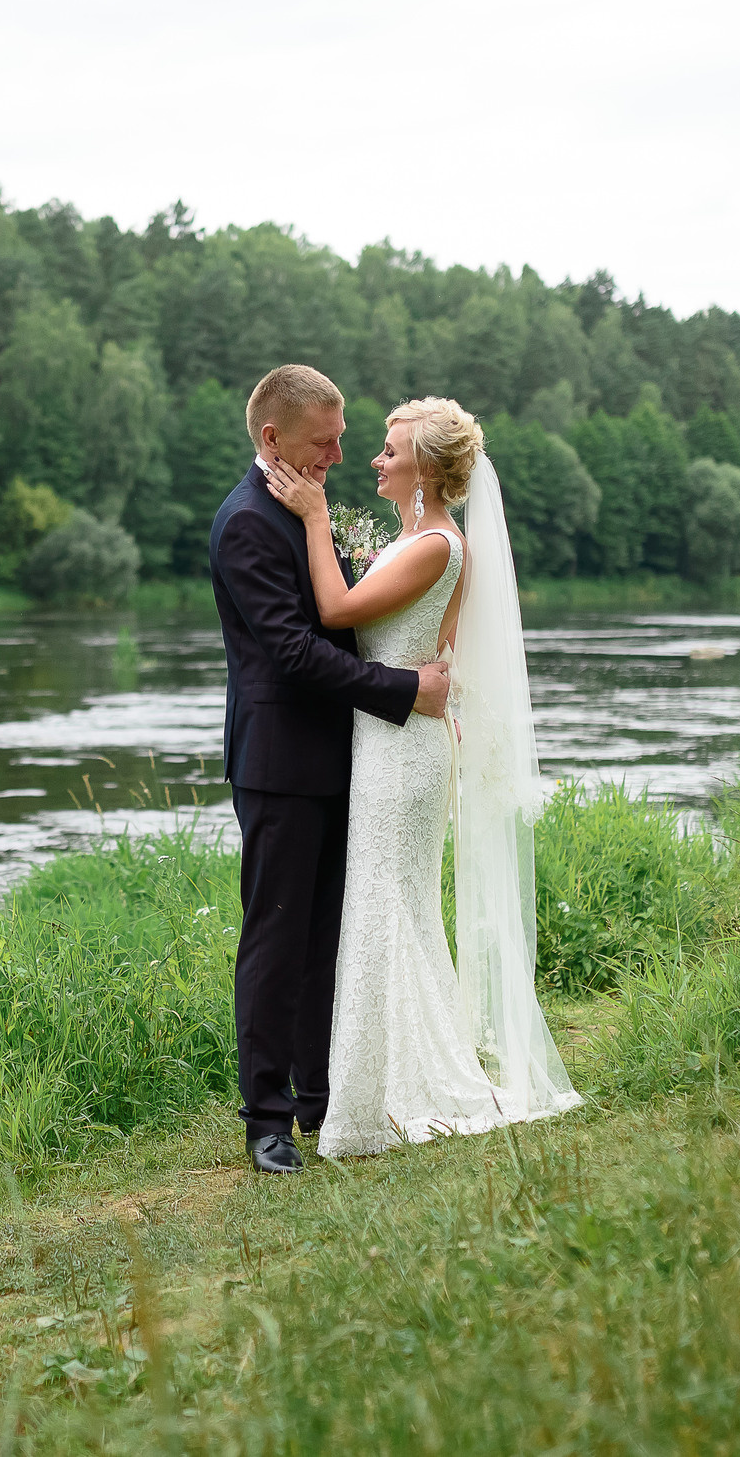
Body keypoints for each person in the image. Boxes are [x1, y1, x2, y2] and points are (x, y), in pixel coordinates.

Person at [261, 396, 582, 1156]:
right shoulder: (417, 539)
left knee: (386, 902)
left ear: (426, 470)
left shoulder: (438, 544)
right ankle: (382, 1085)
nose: (375, 458)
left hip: (401, 751)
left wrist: (312, 518)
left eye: (389, 449)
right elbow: (427, 642)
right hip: (391, 736)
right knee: (390, 906)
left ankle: (386, 1095)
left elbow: (337, 609)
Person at [209, 365, 452, 1175]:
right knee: (276, 938)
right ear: (272, 439)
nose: (340, 455)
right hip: (280, 763)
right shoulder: (246, 522)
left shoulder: (301, 508)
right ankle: (267, 1119)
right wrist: (403, 688)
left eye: (346, 438)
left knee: (326, 938)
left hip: (348, 756)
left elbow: (345, 612)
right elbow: (291, 650)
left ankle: (321, 1097)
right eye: (325, 441)